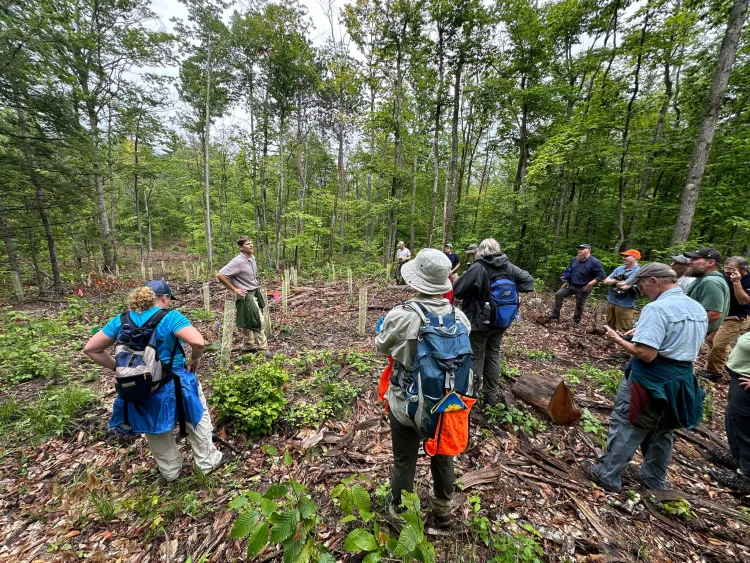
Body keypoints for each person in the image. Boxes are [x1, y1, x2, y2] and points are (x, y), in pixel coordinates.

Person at [82, 281, 226, 482]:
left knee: (154, 427)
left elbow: (91, 349)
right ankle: (208, 462)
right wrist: (195, 358)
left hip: (140, 386)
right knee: (195, 418)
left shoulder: (122, 320)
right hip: (175, 380)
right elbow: (198, 341)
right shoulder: (171, 317)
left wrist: (118, 367)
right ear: (165, 298)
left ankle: (171, 472)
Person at [581, 263, 708, 491]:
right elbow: (678, 339)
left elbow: (647, 354)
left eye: (641, 284)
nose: (640, 290)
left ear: (654, 280)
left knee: (629, 423)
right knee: (662, 429)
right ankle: (654, 480)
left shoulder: (657, 309)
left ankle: (607, 474)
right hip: (681, 379)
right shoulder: (697, 308)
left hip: (649, 379)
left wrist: (618, 340)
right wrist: (641, 331)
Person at [376, 249, 471, 528]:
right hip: (445, 402)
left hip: (405, 401)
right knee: (443, 455)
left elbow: (381, 347)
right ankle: (443, 510)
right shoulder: (461, 318)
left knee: (404, 460)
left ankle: (401, 514)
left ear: (416, 281)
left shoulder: (401, 315)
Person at [453, 238, 534, 405]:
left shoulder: (478, 266)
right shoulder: (507, 266)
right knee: (493, 354)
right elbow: (528, 282)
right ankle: (491, 394)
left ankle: (470, 395)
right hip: (501, 320)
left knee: (476, 355)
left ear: (481, 251)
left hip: (479, 321)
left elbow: (458, 289)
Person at [708, 333, 750, 493]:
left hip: (747, 385)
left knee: (745, 429)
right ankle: (737, 458)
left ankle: (745, 476)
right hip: (739, 378)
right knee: (733, 420)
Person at [683, 248, 730, 380]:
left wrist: (683, 327)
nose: (690, 262)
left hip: (690, 331)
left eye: (695, 259)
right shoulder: (705, 279)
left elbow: (714, 314)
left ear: (710, 263)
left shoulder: (711, 282)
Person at [216, 237, 268, 354]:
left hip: (254, 291)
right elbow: (220, 275)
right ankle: (263, 349)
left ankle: (248, 345)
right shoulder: (237, 261)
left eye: (251, 243)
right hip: (245, 294)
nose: (251, 245)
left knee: (247, 319)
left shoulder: (252, 258)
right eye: (247, 244)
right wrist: (234, 289)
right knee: (258, 320)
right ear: (241, 247)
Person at [702, 257, 750, 380]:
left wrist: (736, 282)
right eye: (726, 269)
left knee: (719, 344)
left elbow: (743, 301)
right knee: (711, 340)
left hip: (738, 316)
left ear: (743, 269)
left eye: (731, 270)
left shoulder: (747, 280)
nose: (728, 273)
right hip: (723, 314)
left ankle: (714, 372)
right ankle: (731, 362)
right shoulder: (723, 277)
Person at [546, 244, 606, 328]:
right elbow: (570, 271)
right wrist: (566, 281)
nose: (579, 251)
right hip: (571, 285)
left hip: (583, 288)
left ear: (589, 250)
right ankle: (555, 314)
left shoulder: (594, 262)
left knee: (579, 305)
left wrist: (590, 284)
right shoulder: (575, 259)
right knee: (559, 294)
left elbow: (601, 275)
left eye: (582, 249)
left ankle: (576, 322)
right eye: (579, 249)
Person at [603, 249, 641, 332]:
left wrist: (614, 281)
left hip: (625, 305)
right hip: (611, 301)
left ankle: (622, 345)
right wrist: (617, 281)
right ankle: (610, 344)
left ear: (634, 257)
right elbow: (606, 281)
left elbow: (625, 287)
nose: (624, 258)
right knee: (610, 327)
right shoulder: (620, 268)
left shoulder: (638, 272)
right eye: (623, 256)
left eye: (626, 256)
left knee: (624, 330)